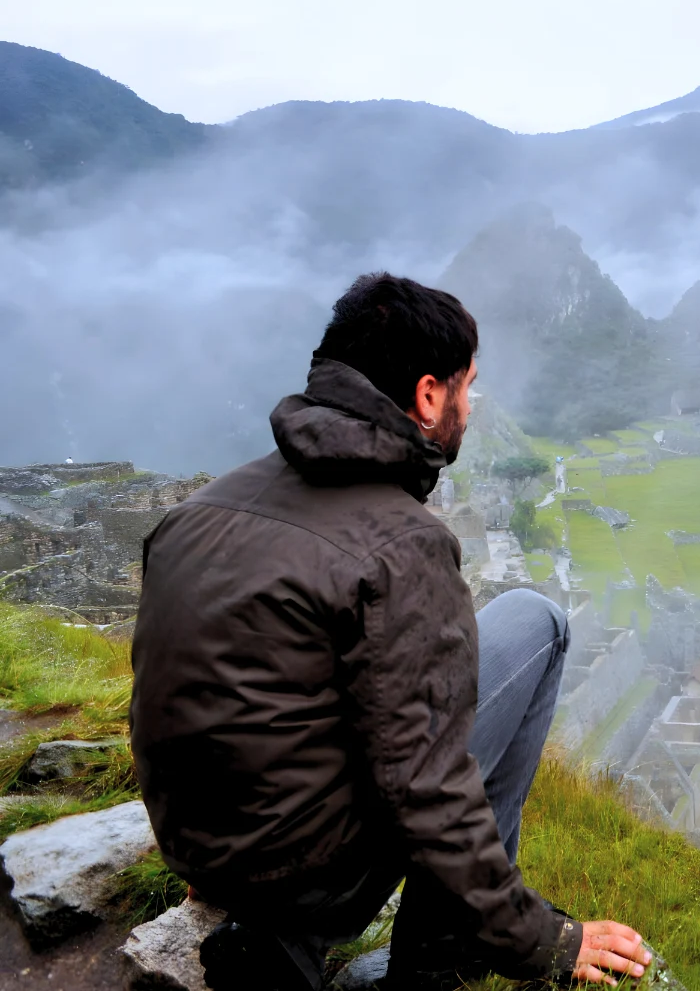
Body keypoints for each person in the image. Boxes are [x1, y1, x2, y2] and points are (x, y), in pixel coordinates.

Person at [131, 273, 652, 990]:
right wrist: (547, 941)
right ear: (429, 396)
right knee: (538, 623)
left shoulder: (199, 511)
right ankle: (442, 953)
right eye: (468, 388)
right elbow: (428, 786)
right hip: (306, 875)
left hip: (197, 845)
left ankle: (262, 921)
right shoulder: (402, 545)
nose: (470, 407)